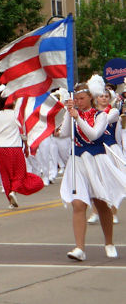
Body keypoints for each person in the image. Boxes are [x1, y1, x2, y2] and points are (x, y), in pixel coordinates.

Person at [60, 81, 126, 261]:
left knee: (101, 203)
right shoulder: (73, 114)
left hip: (96, 161)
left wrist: (77, 117)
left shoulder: (101, 116)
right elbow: (65, 133)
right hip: (77, 161)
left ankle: (109, 243)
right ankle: (79, 248)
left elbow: (93, 135)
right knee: (78, 204)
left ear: (90, 97)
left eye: (81, 98)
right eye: (76, 99)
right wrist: (69, 114)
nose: (79, 102)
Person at [0, 95, 44, 208]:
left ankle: (10, 201)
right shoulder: (17, 115)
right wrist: (26, 147)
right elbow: (23, 133)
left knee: (5, 175)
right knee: (19, 174)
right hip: (15, 148)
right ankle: (14, 191)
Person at [86, 75, 123, 225]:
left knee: (111, 182)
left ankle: (113, 213)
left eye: (106, 96)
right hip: (97, 150)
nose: (104, 98)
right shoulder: (91, 113)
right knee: (97, 182)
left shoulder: (112, 112)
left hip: (111, 149)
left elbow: (117, 135)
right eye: (101, 96)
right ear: (96, 98)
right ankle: (96, 212)